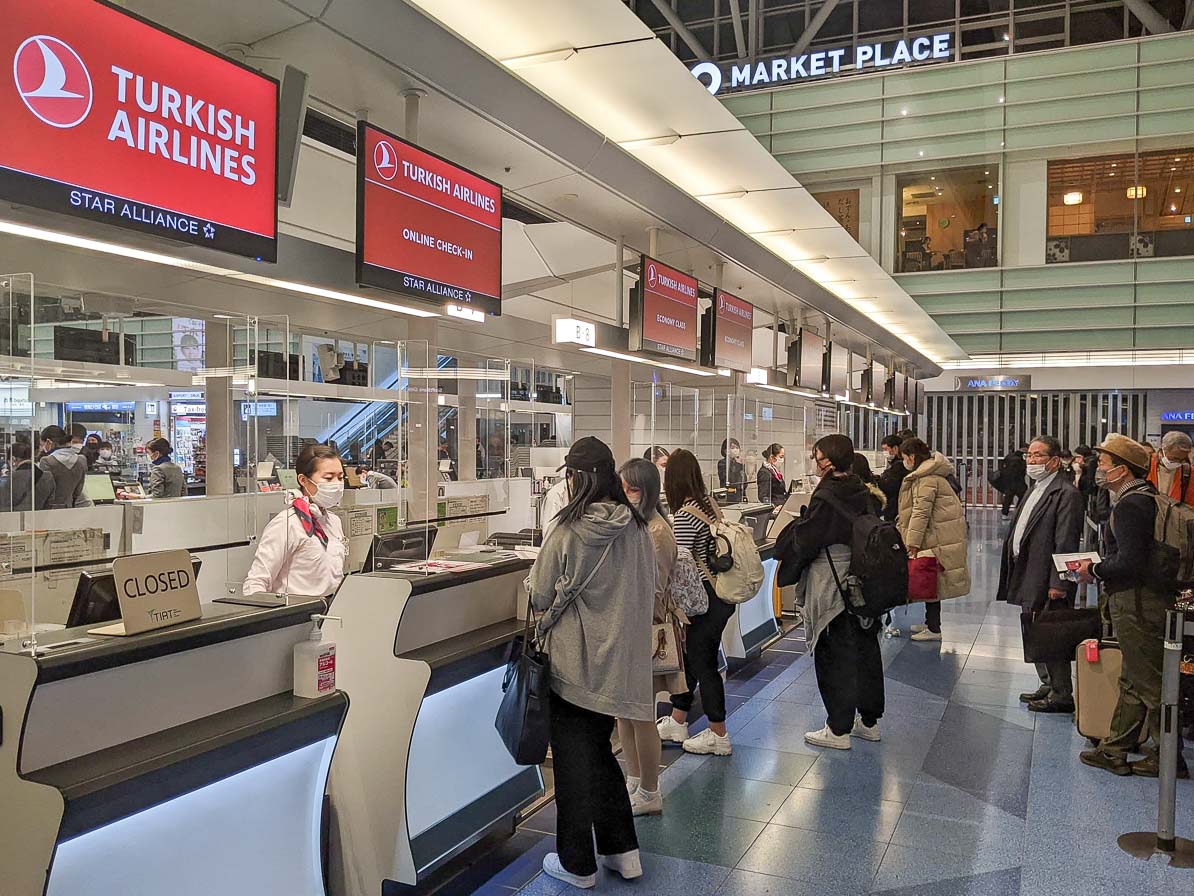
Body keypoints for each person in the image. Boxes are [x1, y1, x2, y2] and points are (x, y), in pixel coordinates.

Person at [528, 437, 654, 888]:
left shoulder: (568, 529)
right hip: (619, 665)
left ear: (575, 477)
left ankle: (578, 863)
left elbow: (540, 594)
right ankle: (624, 851)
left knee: (572, 763)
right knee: (599, 753)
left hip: (572, 665)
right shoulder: (637, 527)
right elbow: (646, 590)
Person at [1075, 435, 1190, 778]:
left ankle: (1169, 758)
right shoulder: (1148, 497)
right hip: (1148, 599)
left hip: (1137, 603)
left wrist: (1092, 569)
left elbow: (1129, 562)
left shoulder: (1130, 505)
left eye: (1105, 464)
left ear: (1122, 470)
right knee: (1133, 678)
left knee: (1151, 683)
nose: (1099, 469)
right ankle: (1115, 749)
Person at [775, 435, 885, 749]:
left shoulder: (826, 496)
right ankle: (869, 721)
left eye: (817, 456)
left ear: (829, 461)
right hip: (862, 584)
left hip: (833, 585)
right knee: (865, 651)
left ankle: (838, 729)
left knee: (834, 656)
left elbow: (806, 541)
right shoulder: (863, 491)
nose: (815, 461)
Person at [617, 457, 685, 818]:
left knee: (641, 714)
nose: (626, 495)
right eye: (623, 487)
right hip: (631, 629)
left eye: (633, 488)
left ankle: (649, 788)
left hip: (646, 630)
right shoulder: (639, 526)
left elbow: (652, 589)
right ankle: (633, 778)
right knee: (624, 713)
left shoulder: (655, 531)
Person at [996, 436, 1082, 713]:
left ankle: (1061, 693)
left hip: (1047, 575)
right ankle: (1046, 682)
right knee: (1034, 630)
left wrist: (1059, 583)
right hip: (1028, 569)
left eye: (1038, 456)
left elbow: (1065, 542)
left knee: (1051, 634)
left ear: (1054, 461)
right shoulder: (1036, 487)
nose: (1031, 461)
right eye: (1029, 456)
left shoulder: (1066, 493)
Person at [657, 449, 735, 756]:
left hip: (702, 602)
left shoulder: (686, 516)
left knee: (703, 663)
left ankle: (719, 734)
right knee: (692, 659)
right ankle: (679, 719)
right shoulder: (708, 504)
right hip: (719, 595)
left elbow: (680, 560)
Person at [243, 443, 349, 597]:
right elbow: (256, 582)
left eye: (340, 477)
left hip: (330, 610)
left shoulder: (333, 521)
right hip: (296, 613)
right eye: (328, 477)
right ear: (303, 480)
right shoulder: (287, 524)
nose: (337, 484)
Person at [897, 437, 971, 641]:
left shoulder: (926, 479)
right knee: (931, 580)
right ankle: (930, 623)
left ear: (911, 457)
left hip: (935, 538)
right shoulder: (933, 474)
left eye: (904, 457)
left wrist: (911, 542)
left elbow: (921, 512)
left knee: (931, 581)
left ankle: (934, 628)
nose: (904, 462)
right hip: (939, 535)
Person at [38, 425, 87, 509]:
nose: (42, 448)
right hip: (71, 507)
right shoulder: (81, 460)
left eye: (42, 444)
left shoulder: (46, 461)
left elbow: (44, 491)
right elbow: (78, 490)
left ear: (48, 442)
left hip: (49, 511)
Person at [0, 440, 53, 511]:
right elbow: (50, 504)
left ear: (13, 459)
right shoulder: (48, 477)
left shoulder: (9, 479)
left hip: (14, 519)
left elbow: (3, 506)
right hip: (41, 519)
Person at [1146, 431, 1194, 506]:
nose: (1178, 462)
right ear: (1163, 450)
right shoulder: (1145, 464)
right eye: (1175, 458)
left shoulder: (1189, 472)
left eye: (1182, 460)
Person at [877, 433, 909, 523]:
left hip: (895, 508)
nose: (884, 452)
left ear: (895, 448)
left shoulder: (899, 466)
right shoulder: (894, 464)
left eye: (886, 449)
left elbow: (889, 485)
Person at [996, 447, 1027, 517]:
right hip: (1017, 482)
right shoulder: (1019, 459)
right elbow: (1020, 470)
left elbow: (1002, 466)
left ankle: (1005, 513)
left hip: (1008, 481)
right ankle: (1019, 510)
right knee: (1023, 496)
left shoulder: (1009, 456)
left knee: (1008, 498)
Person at [756, 442, 786, 508]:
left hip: (781, 506)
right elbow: (763, 496)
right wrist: (773, 506)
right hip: (774, 509)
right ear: (772, 457)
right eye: (781, 457)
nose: (782, 460)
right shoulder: (764, 472)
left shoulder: (775, 471)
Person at [717, 438, 746, 502]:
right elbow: (729, 479)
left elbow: (744, 482)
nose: (736, 450)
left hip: (740, 495)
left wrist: (740, 465)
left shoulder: (739, 463)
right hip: (728, 495)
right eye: (732, 448)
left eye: (737, 447)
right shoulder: (722, 463)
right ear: (726, 450)